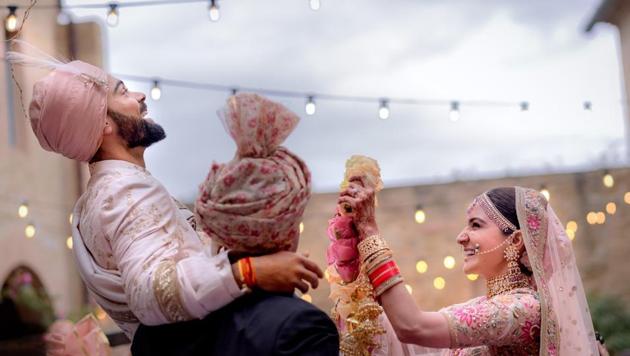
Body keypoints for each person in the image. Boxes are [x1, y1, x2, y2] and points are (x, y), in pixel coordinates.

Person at [7, 43, 335, 355]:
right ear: (104, 123)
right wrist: (251, 270)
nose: (140, 96)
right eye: (122, 92)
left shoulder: (95, 201)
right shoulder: (126, 192)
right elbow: (150, 291)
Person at [339, 183, 601, 355]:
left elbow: (413, 327)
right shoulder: (487, 305)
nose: (461, 237)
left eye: (476, 225)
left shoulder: (523, 310)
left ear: (516, 240)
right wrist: (357, 295)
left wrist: (371, 234)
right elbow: (410, 339)